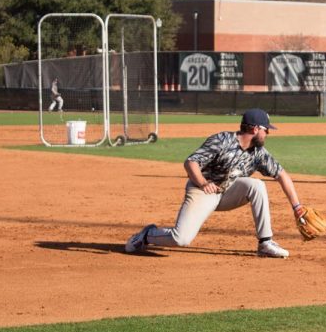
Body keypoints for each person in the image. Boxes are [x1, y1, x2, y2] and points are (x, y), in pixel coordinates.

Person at [125, 108, 305, 258]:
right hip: (202, 192)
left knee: (257, 185)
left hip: (227, 193)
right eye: (266, 129)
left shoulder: (258, 153)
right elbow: (191, 162)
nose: (268, 133)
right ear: (255, 129)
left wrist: (297, 207)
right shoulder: (221, 141)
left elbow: (282, 175)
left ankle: (265, 243)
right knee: (181, 239)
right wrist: (203, 183)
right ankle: (147, 234)